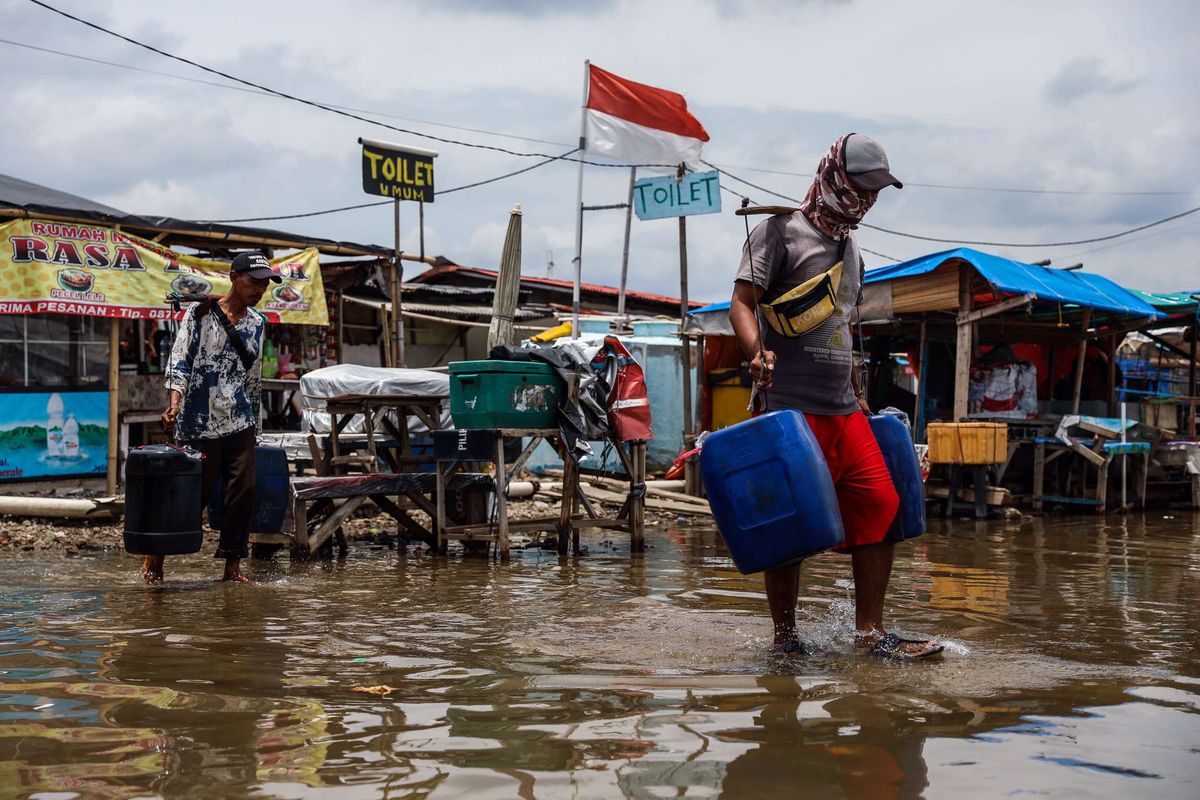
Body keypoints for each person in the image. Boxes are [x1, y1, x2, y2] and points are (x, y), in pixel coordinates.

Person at [728, 133, 942, 659]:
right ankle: (785, 642)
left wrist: (857, 390)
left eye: (876, 193)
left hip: (843, 409)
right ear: (834, 177)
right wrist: (758, 353)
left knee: (882, 505)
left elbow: (844, 327)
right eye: (860, 188)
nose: (866, 201)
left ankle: (870, 635)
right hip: (789, 413)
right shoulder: (778, 233)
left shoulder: (852, 248)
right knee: (789, 526)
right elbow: (740, 302)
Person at [144, 251, 280, 584]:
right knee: (191, 494)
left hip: (239, 419)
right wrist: (174, 403)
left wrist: (257, 426)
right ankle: (155, 558)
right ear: (234, 277)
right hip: (198, 421)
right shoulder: (199, 313)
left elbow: (253, 377)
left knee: (243, 493)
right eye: (254, 281)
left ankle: (232, 567)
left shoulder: (257, 323)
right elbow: (180, 360)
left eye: (265, 284)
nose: (259, 290)